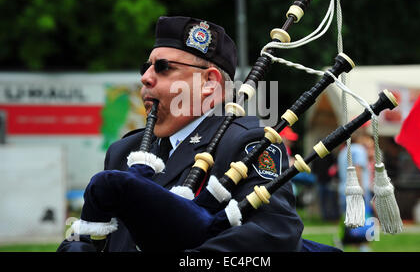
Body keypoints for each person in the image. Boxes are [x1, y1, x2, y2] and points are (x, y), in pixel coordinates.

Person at [57, 16, 339, 252]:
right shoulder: (123, 151)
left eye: (164, 67)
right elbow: (94, 236)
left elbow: (275, 236)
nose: (145, 77)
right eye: (147, 67)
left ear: (208, 82)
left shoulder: (247, 143)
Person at [336, 131, 372, 252]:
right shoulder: (359, 150)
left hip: (344, 190)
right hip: (356, 190)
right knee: (362, 220)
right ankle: (363, 247)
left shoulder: (343, 151)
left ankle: (341, 241)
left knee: (350, 221)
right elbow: (358, 170)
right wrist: (360, 189)